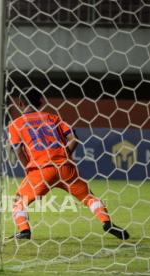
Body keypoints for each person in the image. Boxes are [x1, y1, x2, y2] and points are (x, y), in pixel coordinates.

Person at [8, 87, 129, 240]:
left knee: (18, 201)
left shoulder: (16, 124)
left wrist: (28, 167)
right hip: (65, 168)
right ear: (40, 102)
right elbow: (74, 138)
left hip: (41, 171)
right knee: (89, 197)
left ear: (20, 103)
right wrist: (64, 155)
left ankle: (24, 230)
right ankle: (106, 221)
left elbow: (18, 151)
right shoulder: (53, 118)